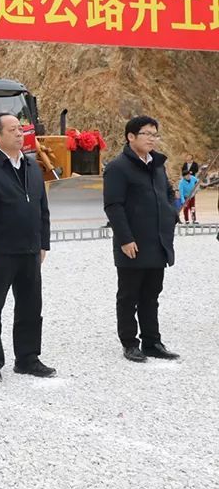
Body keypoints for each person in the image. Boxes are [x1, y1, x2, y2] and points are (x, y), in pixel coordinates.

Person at [0, 113, 54, 384]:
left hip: (29, 250)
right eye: (13, 129)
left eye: (21, 129)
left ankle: (28, 358)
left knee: (30, 306)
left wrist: (43, 243)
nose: (20, 133)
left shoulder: (31, 165)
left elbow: (42, 208)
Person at [103, 116, 180, 362]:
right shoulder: (118, 167)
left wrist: (171, 213)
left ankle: (152, 341)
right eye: (146, 134)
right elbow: (114, 206)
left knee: (151, 295)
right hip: (132, 243)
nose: (152, 139)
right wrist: (125, 238)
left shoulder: (158, 165)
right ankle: (129, 342)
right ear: (131, 137)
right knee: (129, 296)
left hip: (157, 241)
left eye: (155, 134)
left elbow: (167, 191)